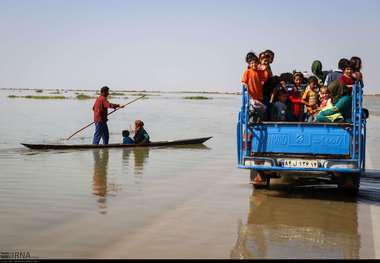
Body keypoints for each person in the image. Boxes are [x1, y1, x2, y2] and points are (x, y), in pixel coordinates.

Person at [241, 52, 266, 119]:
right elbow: (243, 82)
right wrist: (246, 87)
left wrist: (262, 67)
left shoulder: (259, 72)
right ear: (249, 64)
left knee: (263, 108)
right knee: (253, 108)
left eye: (255, 63)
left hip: (258, 95)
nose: (253, 64)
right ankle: (252, 118)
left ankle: (257, 119)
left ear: (257, 63)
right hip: (251, 96)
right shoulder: (247, 71)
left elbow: (265, 74)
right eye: (252, 63)